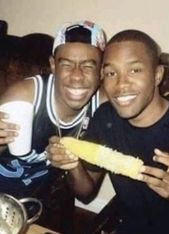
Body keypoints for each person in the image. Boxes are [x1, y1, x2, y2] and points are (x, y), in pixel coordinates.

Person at [48, 29, 169, 234]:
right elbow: (85, 192)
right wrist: (72, 164)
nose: (121, 84)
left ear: (157, 75)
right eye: (111, 73)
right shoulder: (105, 118)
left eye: (135, 70)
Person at [0, 20, 106, 228]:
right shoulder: (23, 96)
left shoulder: (102, 113)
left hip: (36, 205)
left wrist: (73, 165)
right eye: (66, 64)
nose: (77, 76)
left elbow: (85, 194)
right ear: (52, 65)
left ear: (101, 71)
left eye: (88, 66)